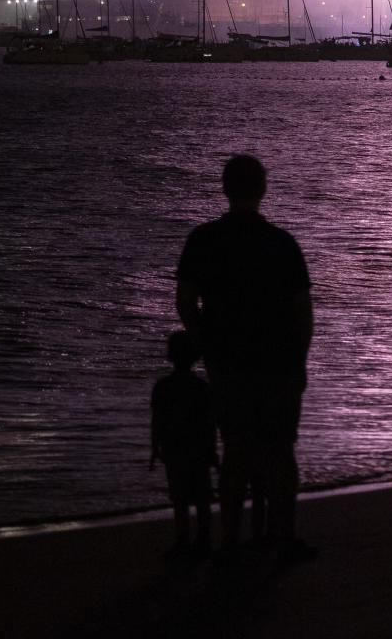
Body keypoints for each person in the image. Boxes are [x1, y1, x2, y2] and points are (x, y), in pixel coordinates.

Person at [175, 154, 313, 560]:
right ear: (263, 189)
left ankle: (231, 539)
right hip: (278, 363)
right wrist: (299, 362)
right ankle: (282, 537)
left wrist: (206, 345)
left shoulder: (203, 239)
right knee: (280, 451)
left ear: (224, 187)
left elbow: (185, 302)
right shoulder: (282, 244)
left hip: (228, 362)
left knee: (236, 448)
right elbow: (303, 312)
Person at [150, 329, 216, 559]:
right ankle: (204, 538)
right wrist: (212, 451)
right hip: (198, 449)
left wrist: (153, 448)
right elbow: (209, 423)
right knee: (201, 497)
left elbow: (157, 421)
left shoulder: (162, 387)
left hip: (174, 449)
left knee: (179, 498)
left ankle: (183, 540)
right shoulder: (202, 387)